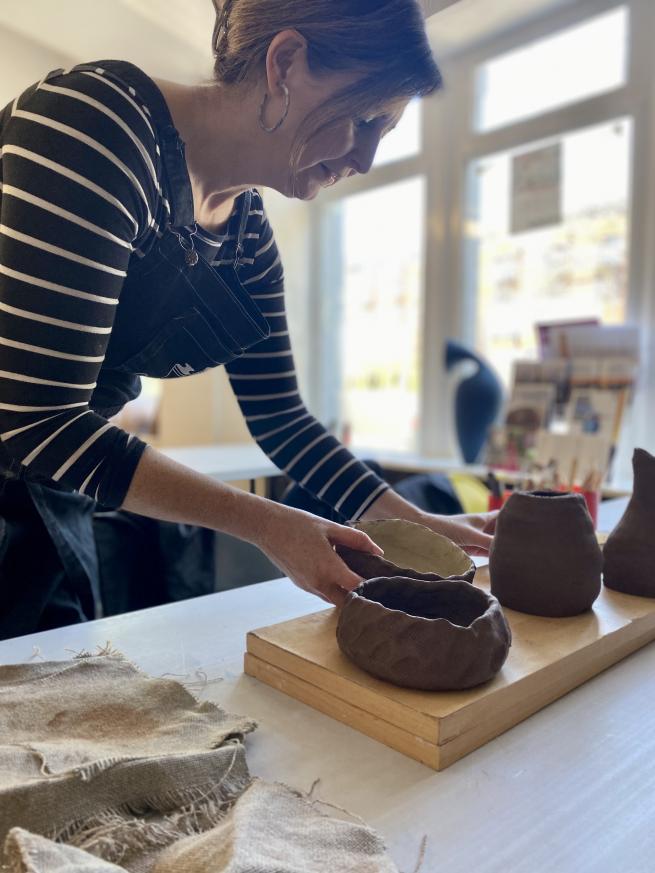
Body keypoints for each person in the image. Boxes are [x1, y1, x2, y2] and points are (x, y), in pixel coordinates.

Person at [0, 0, 494, 640]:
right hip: (39, 448)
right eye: (365, 119)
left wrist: (414, 525)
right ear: (285, 63)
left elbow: (283, 420)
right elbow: (38, 419)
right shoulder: (94, 131)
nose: (366, 159)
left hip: (49, 490)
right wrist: (268, 523)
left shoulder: (248, 246)